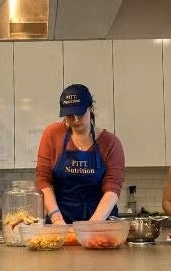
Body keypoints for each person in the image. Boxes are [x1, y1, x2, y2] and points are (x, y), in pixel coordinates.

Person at [35, 84, 125, 224]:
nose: (75, 119)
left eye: (80, 113)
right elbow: (44, 181)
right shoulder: (52, 134)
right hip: (60, 222)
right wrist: (57, 219)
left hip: (100, 223)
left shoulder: (110, 143)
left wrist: (92, 226)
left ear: (90, 108)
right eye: (70, 115)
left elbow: (113, 188)